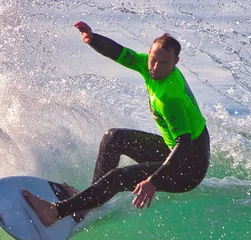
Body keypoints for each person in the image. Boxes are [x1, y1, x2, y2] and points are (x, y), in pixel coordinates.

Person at [23, 21, 210, 227]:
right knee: (114, 137)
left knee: (117, 177)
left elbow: (184, 145)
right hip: (173, 150)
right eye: (153, 59)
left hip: (188, 168)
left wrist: (153, 181)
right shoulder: (147, 66)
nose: (155, 67)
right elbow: (120, 53)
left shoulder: (170, 97)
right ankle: (89, 201)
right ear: (149, 53)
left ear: (175, 62)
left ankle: (55, 213)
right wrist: (92, 39)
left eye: (163, 63)